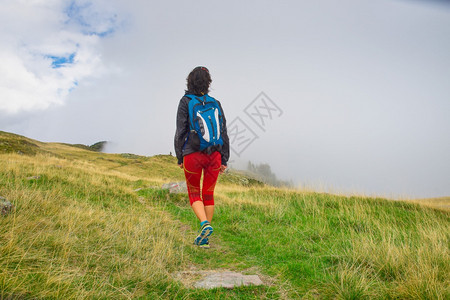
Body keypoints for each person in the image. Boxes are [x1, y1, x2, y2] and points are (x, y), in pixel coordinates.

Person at [174, 66, 229, 249]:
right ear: (208, 82)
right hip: (214, 154)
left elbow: (180, 131)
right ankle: (205, 239)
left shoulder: (185, 101)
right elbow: (224, 132)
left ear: (189, 81)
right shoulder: (216, 102)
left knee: (194, 193)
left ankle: (204, 224)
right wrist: (224, 159)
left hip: (192, 154)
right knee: (208, 194)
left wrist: (180, 156)